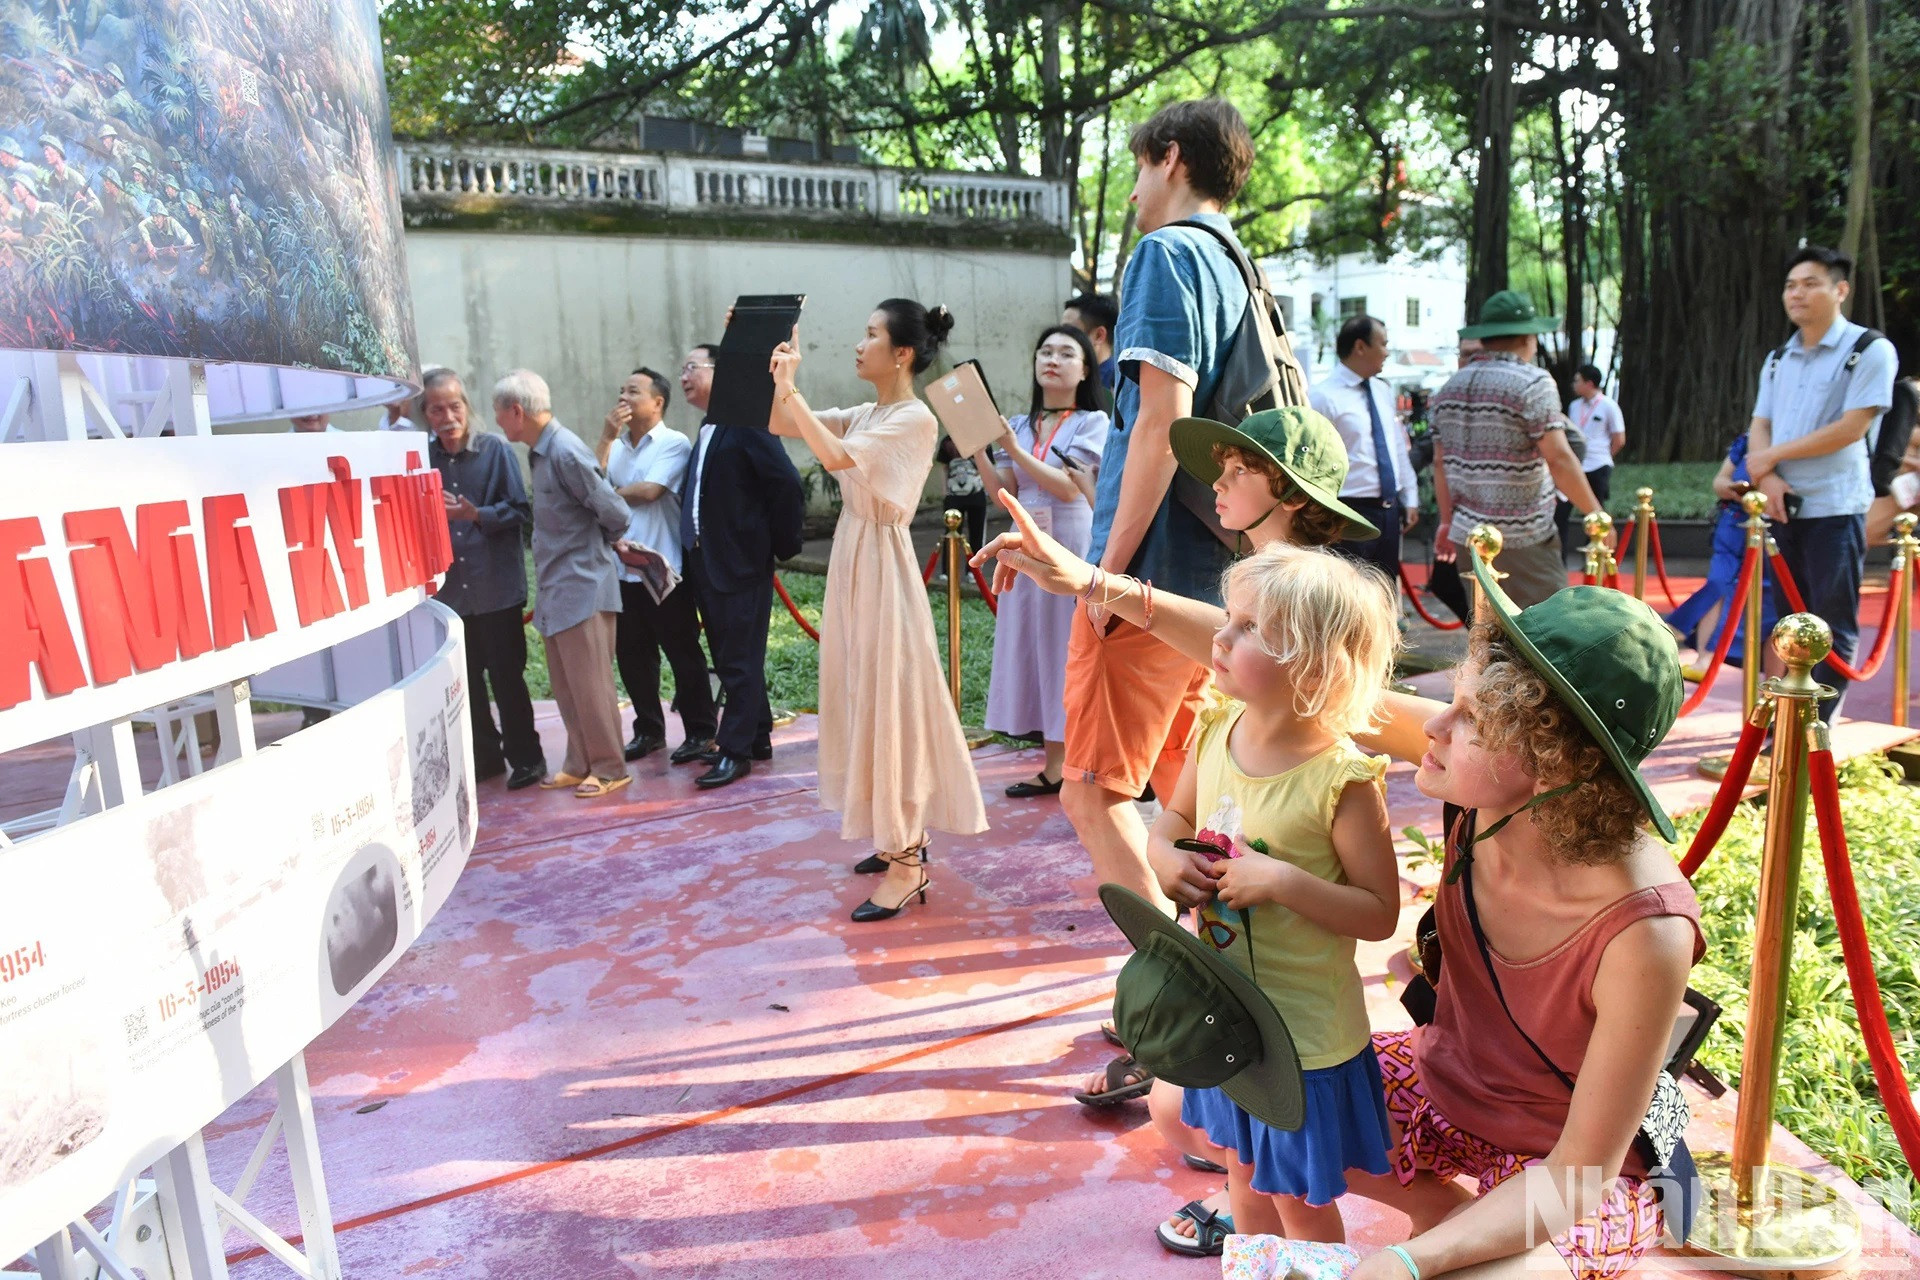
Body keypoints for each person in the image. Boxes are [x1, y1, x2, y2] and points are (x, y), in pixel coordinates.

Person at [1341, 557, 1703, 1280]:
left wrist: (1409, 1264)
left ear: (1555, 762)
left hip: (1570, 1164)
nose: (1434, 725)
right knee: (1233, 1090)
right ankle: (1450, 1218)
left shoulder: (1645, 929)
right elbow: (1306, 687)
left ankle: (1460, 1241)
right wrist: (1110, 592)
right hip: (1443, 1089)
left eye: (1470, 717)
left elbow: (1580, 1172)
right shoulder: (1486, 789)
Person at [1148, 544, 1402, 1256]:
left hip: (1304, 1038)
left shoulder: (1341, 780)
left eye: (1252, 629)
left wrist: (1285, 882)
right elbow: (1170, 822)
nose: (1221, 639)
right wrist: (1163, 857)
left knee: (1298, 1199)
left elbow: (1380, 912)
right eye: (1229, 619)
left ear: (1316, 666)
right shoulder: (1215, 730)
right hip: (1228, 1018)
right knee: (1243, 1176)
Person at [1060, 96, 1257, 936]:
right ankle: (1218, 960)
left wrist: (1105, 571)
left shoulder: (1166, 252)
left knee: (1095, 789)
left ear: (1170, 157)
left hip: (1153, 570)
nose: (1137, 187)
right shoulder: (1240, 264)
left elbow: (1159, 426)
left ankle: (1170, 984)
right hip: (1224, 568)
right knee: (1192, 783)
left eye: (1141, 167)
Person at [768, 300, 989, 922]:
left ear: (902, 353)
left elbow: (835, 457)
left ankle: (908, 863)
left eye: (870, 335)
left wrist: (793, 392)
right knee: (863, 692)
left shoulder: (915, 418)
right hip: (856, 555)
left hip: (884, 562)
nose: (857, 344)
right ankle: (893, 833)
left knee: (892, 702)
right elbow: (786, 426)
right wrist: (779, 372)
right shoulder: (872, 411)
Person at [1746, 244, 1898, 720]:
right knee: (1787, 618)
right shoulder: (1777, 358)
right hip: (1781, 504)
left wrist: (1768, 457)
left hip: (1835, 505)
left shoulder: (1868, 350)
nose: (1798, 294)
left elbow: (1851, 428)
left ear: (1840, 290)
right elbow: (1760, 422)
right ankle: (1785, 721)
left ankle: (1815, 730)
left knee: (1832, 619)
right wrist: (1766, 474)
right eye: (1791, 285)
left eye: (1811, 283)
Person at [975, 325, 1107, 797]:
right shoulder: (1020, 421)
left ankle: (1077, 762)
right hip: (1022, 538)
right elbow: (1003, 492)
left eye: (1066, 353)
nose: (1052, 359)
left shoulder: (1093, 422)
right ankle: (1054, 765)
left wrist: (1010, 446)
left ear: (1085, 368)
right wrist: (979, 448)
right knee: (1031, 646)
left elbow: (1068, 486)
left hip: (1070, 539)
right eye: (1045, 351)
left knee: (1064, 647)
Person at [493, 369, 632, 799]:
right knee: (567, 684)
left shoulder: (566, 451)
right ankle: (579, 762)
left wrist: (602, 546)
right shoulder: (542, 452)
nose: (498, 423)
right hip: (558, 584)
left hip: (583, 583)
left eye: (500, 414)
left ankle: (609, 767)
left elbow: (615, 511)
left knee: (591, 684)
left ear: (517, 411)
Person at [677, 342, 807, 786]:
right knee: (734, 655)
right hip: (707, 560)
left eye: (693, 366)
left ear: (723, 372)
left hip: (739, 562)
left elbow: (787, 483)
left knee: (738, 659)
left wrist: (779, 544)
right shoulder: (711, 426)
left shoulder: (746, 422)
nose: (684, 376)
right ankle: (757, 734)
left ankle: (734, 750)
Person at [1430, 291, 1605, 608]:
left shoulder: (1447, 390)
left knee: (1487, 637)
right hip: (1525, 536)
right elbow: (1559, 458)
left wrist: (1446, 521)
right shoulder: (1532, 383)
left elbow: (1440, 463)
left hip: (1469, 535)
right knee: (1546, 634)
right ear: (1529, 336)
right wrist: (1595, 513)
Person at [424, 369, 545, 790]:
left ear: (467, 406)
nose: (448, 416)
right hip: (451, 594)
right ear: (426, 414)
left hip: (496, 589)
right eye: (437, 408)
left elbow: (520, 513)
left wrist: (475, 514)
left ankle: (527, 758)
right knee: (465, 681)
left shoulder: (494, 451)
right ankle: (486, 758)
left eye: (454, 406)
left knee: (508, 678)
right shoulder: (423, 461)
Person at [598, 366, 717, 761]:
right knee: (632, 654)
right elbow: (589, 484)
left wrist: (608, 496)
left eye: (633, 391)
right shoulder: (615, 446)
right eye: (621, 391)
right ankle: (648, 730)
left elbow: (650, 491)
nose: (624, 399)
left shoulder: (673, 443)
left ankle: (701, 731)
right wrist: (604, 438)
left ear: (657, 401)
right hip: (621, 568)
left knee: (682, 651)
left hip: (663, 568)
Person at [1310, 314, 1419, 584]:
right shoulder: (1322, 397)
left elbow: (1394, 445)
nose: (1387, 352)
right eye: (1382, 344)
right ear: (1360, 346)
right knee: (1347, 597)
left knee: (1383, 593)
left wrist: (1410, 495)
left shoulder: (1382, 391)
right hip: (1347, 512)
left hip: (1388, 511)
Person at [1664, 433, 1779, 656]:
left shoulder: (1789, 441)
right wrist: (1734, 489)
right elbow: (1719, 481)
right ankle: (1700, 653)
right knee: (1718, 583)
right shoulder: (1747, 441)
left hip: (1767, 530)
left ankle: (1694, 639)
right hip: (1731, 524)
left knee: (1763, 598)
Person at [1555, 364, 1626, 560]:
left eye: (1577, 380)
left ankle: (1593, 559)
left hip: (1598, 465)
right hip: (1576, 465)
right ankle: (1560, 559)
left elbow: (1619, 439)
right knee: (1561, 511)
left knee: (1595, 514)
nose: (1574, 384)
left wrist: (1605, 457)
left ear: (1589, 383)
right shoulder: (1574, 406)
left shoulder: (1609, 405)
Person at [937, 434, 988, 554]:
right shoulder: (947, 441)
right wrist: (945, 492)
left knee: (977, 533)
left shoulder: (983, 440)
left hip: (976, 494)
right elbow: (944, 467)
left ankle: (974, 570)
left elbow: (988, 466)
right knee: (950, 534)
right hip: (953, 496)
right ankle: (947, 570)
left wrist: (985, 487)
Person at [1063, 292, 1120, 394]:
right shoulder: (1074, 378)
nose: (1061, 338)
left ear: (1099, 335)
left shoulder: (1119, 384)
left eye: (1069, 331)